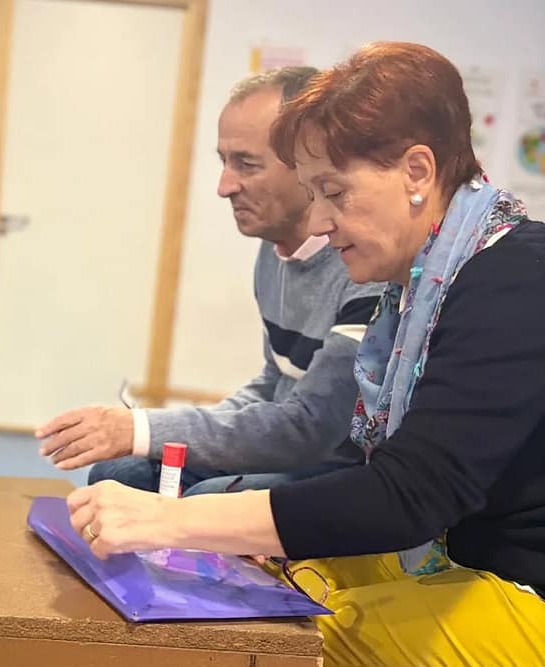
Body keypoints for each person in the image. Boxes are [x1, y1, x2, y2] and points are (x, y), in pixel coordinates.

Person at [67, 42, 545, 667]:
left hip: (526, 594)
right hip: (476, 563)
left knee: (293, 655)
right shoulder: (433, 280)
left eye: (333, 192)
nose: (319, 224)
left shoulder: (514, 280)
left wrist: (168, 520)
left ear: (417, 172)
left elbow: (406, 495)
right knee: (266, 590)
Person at [36, 66, 382, 495]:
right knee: (120, 473)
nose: (224, 186)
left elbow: (309, 428)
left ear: (310, 165)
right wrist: (159, 429)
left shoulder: (365, 269)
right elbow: (275, 380)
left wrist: (141, 429)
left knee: (198, 498)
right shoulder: (272, 251)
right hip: (289, 451)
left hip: (334, 469)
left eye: (246, 164)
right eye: (224, 161)